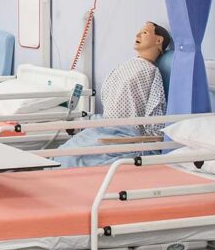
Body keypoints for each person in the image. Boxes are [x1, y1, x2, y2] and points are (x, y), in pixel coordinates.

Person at [58, 21, 173, 168]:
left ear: (159, 40)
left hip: (126, 132)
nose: (137, 35)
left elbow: (155, 108)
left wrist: (153, 140)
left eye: (145, 33)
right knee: (64, 152)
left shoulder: (151, 72)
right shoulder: (124, 66)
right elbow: (107, 94)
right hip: (105, 125)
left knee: (78, 159)